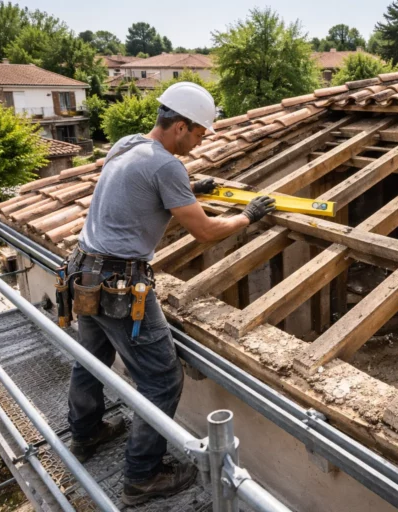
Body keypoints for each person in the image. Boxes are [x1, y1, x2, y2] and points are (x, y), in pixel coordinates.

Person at [65, 82, 275, 505]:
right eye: (198, 133)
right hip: (120, 285)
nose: (200, 143)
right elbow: (205, 232)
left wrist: (190, 190)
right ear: (180, 126)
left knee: (92, 360)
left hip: (83, 272)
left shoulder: (126, 145)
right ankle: (142, 477)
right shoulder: (167, 167)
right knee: (161, 379)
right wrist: (247, 217)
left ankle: (85, 436)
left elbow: (136, 191)